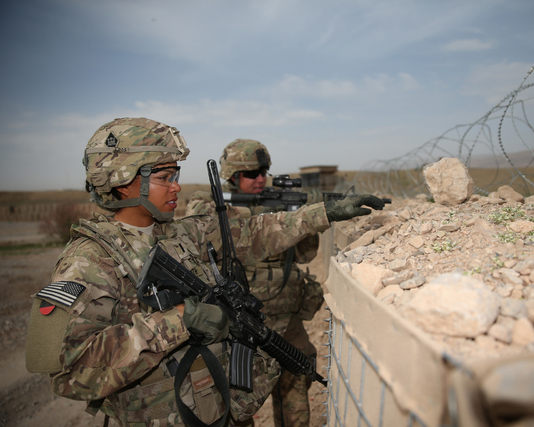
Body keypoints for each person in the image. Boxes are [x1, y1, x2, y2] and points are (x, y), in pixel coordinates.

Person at [25, 118, 384, 427]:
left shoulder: (181, 232)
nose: (177, 186)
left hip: (216, 405)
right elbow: (70, 371)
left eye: (175, 175)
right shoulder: (88, 260)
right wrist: (181, 320)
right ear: (122, 180)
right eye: (165, 177)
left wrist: (325, 212)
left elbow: (258, 231)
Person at [185, 139, 324, 427]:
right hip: (239, 324)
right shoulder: (213, 206)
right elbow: (207, 239)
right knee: (237, 399)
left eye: (264, 171)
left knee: (295, 389)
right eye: (251, 173)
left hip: (287, 321)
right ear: (233, 176)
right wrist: (270, 219)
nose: (260, 178)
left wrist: (303, 221)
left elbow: (305, 254)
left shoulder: (277, 203)